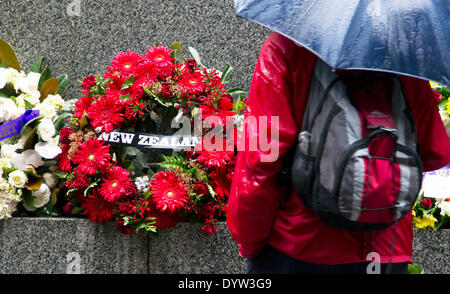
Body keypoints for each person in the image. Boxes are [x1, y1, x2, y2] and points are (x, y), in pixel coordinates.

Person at [226, 32, 450, 274]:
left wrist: (249, 238)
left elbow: (261, 158)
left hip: (299, 247)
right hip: (386, 252)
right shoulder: (403, 55)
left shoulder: (287, 46)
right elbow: (433, 152)